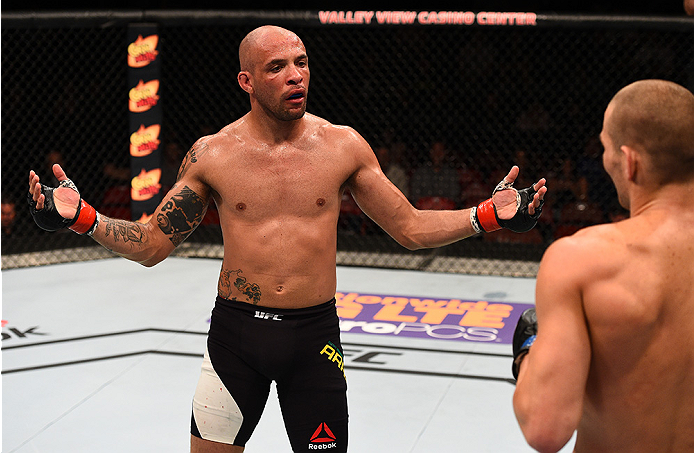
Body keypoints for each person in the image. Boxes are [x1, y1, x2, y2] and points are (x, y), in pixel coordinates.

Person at [27, 25, 547, 453]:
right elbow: (150, 244)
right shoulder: (214, 155)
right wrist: (80, 218)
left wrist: (488, 216)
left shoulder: (342, 147)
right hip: (235, 338)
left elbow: (409, 227)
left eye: (301, 62)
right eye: (277, 68)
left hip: (313, 339)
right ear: (246, 81)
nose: (295, 76)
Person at [512, 79, 694, 452]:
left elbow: (545, 428)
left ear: (629, 162)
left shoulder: (582, 260)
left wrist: (529, 350)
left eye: (606, 149)